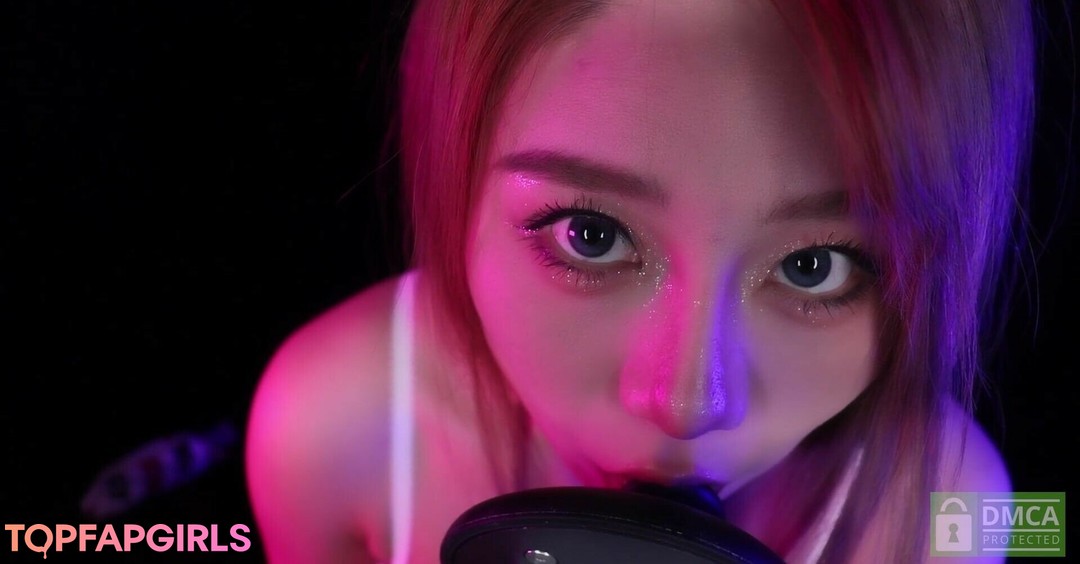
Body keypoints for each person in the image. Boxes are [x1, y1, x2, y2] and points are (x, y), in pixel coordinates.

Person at [244, 0, 1036, 562]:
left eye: (815, 266)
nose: (686, 403)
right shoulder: (328, 429)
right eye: (591, 235)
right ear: (457, 175)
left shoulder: (954, 513)